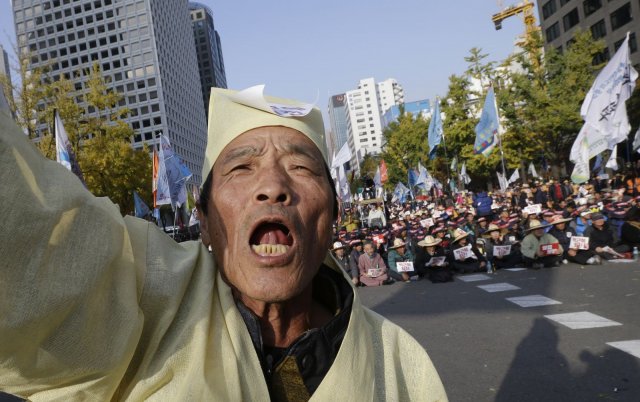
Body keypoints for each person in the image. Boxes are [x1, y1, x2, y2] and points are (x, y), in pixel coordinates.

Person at [0, 88, 446, 400]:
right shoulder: (147, 297)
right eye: (241, 169)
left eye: (302, 168)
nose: (273, 185)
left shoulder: (400, 360)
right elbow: (28, 238)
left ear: (332, 217)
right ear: (207, 222)